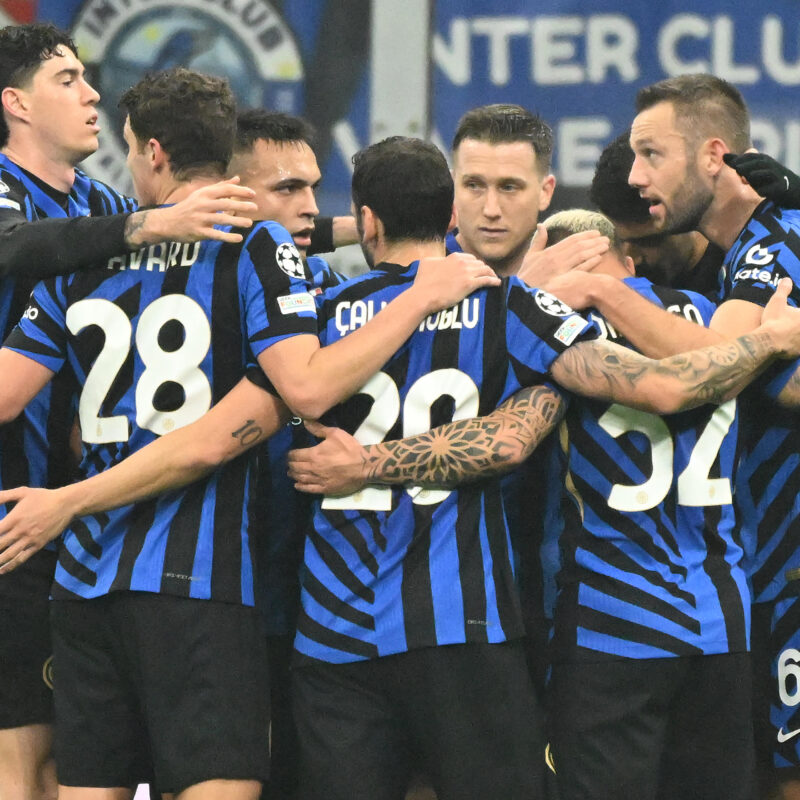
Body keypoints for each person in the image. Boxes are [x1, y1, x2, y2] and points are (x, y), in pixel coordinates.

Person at [0, 66, 495, 800]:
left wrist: (70, 496)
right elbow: (304, 387)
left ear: (155, 153)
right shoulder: (254, 250)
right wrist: (420, 295)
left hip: (83, 580)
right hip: (199, 582)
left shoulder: (82, 253)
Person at [281, 136, 800, 800]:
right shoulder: (515, 311)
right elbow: (639, 394)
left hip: (330, 626)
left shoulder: (313, 320)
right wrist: (766, 338)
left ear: (369, 222)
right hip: (471, 621)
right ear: (449, 217)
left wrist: (361, 463)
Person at [0, 22, 258, 800]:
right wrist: (147, 223)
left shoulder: (104, 200)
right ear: (14, 101)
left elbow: (223, 242)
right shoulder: (81, 209)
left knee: (81, 763)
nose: (90, 95)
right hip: (12, 511)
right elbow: (14, 247)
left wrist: (377, 233)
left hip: (81, 518)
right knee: (25, 755)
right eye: (68, 79)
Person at [529, 73, 800, 800]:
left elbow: (702, 366)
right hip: (743, 591)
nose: (637, 174)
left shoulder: (772, 248)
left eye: (651, 154)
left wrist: (598, 290)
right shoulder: (747, 249)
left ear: (714, 155)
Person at [230, 109, 357, 262]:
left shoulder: (320, 278)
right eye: (288, 188)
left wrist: (371, 227)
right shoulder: (197, 276)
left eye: (313, 188)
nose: (313, 209)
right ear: (229, 195)